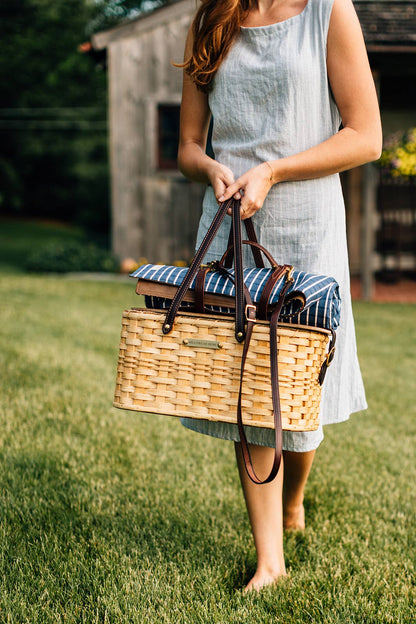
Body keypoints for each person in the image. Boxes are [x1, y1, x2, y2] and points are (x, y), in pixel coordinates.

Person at [177, 0, 382, 592]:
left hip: (308, 227)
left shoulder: (327, 12)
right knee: (251, 392)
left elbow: (365, 136)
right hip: (230, 230)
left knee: (297, 396)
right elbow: (189, 143)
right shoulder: (209, 17)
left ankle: (295, 496)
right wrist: (209, 168)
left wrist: (273, 171)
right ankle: (270, 561)